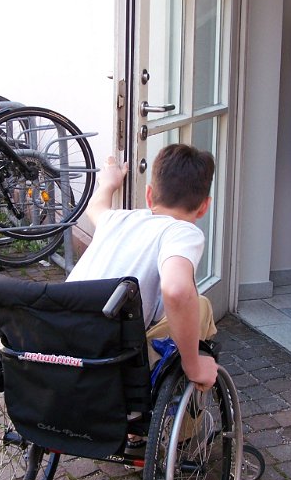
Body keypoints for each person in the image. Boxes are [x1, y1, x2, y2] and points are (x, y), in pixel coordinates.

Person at [67, 144, 218, 392]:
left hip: (57, 342)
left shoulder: (118, 219)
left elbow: (95, 207)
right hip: (108, 361)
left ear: (149, 195)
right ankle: (188, 414)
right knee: (200, 304)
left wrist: (109, 182)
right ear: (204, 207)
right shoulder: (182, 232)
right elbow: (177, 290)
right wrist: (193, 367)